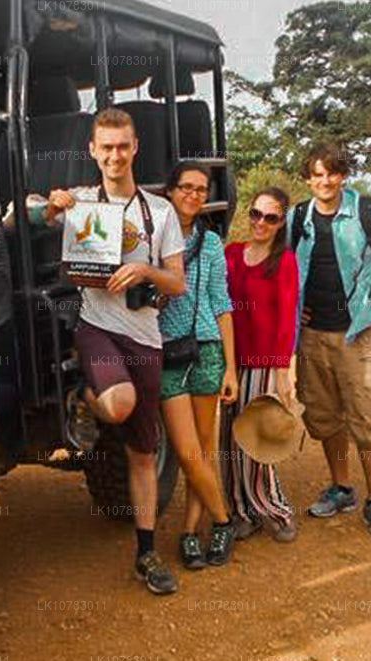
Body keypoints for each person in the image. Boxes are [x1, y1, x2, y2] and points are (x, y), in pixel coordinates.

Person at [34, 107, 188, 595]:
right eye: (107, 147)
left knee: (143, 453)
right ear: (93, 151)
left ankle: (146, 552)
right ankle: (85, 398)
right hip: (96, 326)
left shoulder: (160, 211)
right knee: (119, 404)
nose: (115, 155)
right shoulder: (79, 201)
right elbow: (19, 216)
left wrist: (145, 272)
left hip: (144, 334)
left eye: (123, 146)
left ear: (135, 148)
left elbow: (177, 282)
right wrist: (50, 206)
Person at [290, 144, 371, 540]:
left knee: (368, 420)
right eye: (317, 174)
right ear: (307, 179)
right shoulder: (297, 217)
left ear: (343, 175)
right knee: (324, 416)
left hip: (359, 334)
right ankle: (342, 487)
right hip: (312, 337)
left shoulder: (369, 211)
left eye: (332, 173)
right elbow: (281, 269)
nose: (325, 181)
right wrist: (294, 310)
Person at [156, 160, 239, 570]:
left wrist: (230, 368)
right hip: (168, 352)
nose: (193, 195)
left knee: (203, 449)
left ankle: (190, 532)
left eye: (201, 189)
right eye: (186, 187)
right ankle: (224, 521)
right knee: (188, 453)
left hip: (206, 349)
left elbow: (221, 304)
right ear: (170, 191)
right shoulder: (153, 239)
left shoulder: (210, 244)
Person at [221, 187, 302, 542]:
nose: (261, 223)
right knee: (229, 444)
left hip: (264, 362)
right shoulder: (232, 254)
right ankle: (242, 512)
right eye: (256, 214)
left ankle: (278, 511)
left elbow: (287, 317)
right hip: (231, 361)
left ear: (281, 222)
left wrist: (282, 372)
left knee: (256, 444)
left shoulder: (284, 261)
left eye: (270, 218)